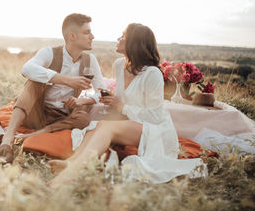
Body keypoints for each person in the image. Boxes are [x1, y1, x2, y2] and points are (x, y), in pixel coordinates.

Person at [48, 23, 206, 187]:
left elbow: (155, 116)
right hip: (133, 121)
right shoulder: (119, 65)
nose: (118, 39)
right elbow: (126, 97)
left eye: (122, 36)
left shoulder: (152, 74)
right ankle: (72, 162)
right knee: (99, 125)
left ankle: (73, 173)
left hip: (155, 129)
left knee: (108, 127)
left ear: (134, 43)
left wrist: (121, 106)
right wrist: (111, 99)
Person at [0, 13, 106, 163]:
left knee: (83, 118)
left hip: (62, 118)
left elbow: (102, 92)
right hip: (36, 113)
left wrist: (82, 101)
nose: (92, 36)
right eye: (87, 32)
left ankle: (26, 137)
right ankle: (7, 141)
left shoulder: (90, 60)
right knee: (34, 82)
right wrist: (68, 81)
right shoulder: (49, 52)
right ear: (72, 36)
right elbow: (27, 69)